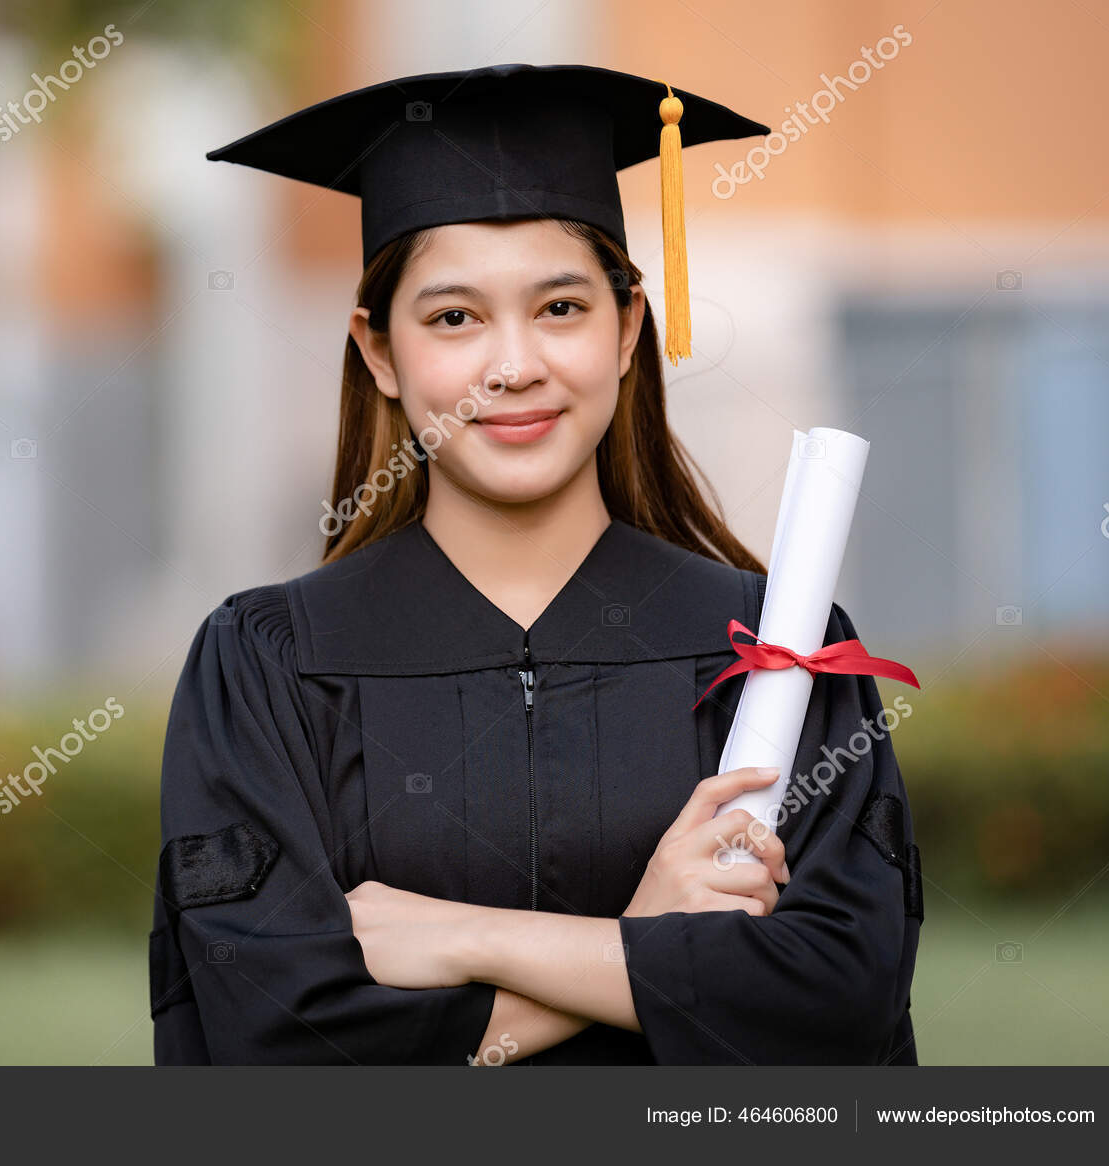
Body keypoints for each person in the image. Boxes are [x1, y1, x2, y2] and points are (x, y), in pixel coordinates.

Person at [149, 63, 923, 1066]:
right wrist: (647, 943)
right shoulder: (267, 665)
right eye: (453, 318)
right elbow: (275, 1036)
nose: (513, 364)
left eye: (560, 307)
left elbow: (838, 999)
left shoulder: (777, 649)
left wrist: (472, 939)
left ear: (628, 328)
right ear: (377, 350)